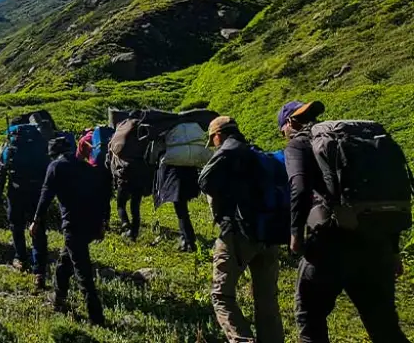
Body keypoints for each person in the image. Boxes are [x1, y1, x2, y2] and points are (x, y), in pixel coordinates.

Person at [279, 101, 410, 343]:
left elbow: (299, 188)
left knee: (310, 317)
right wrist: (393, 250)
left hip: (330, 245)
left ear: (289, 124)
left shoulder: (298, 144)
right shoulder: (346, 142)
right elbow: (381, 198)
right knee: (384, 327)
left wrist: (295, 234)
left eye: (282, 130)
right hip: (376, 243)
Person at [199, 116, 285, 343]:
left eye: (213, 140)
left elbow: (204, 182)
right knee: (266, 299)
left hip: (238, 235)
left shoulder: (228, 152)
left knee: (221, 295)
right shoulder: (256, 153)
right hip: (268, 233)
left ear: (218, 135)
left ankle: (242, 340)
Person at [30, 137, 108, 326]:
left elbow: (45, 196)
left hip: (74, 225)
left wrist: (36, 221)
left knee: (83, 273)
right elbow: (101, 196)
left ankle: (96, 318)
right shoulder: (86, 167)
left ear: (52, 154)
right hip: (91, 224)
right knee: (66, 261)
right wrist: (103, 223)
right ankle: (58, 297)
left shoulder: (56, 167)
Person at [0, 117, 50, 287]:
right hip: (38, 192)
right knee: (38, 228)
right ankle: (39, 270)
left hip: (15, 191)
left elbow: (0, 173)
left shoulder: (9, 146)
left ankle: (20, 258)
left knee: (16, 226)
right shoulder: (40, 144)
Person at [154, 162, 200, 252]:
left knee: (181, 210)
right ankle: (188, 238)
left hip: (175, 176)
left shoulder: (172, 154)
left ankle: (188, 241)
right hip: (189, 174)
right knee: (182, 209)